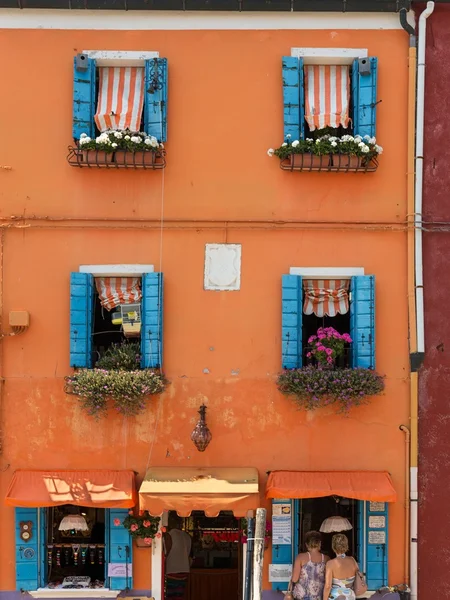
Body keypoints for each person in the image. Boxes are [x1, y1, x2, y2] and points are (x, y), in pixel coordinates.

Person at [291, 531, 330, 600]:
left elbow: (294, 579)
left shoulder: (300, 557)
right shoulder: (326, 559)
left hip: (302, 597)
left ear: (306, 544)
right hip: (319, 596)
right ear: (319, 543)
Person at [163, 514, 192, 600]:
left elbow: (165, 553)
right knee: (179, 596)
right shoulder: (187, 536)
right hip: (184, 571)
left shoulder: (168, 535)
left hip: (171, 571)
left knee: (169, 596)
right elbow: (189, 553)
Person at [322, 533, 358, 600]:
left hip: (336, 596)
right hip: (350, 596)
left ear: (333, 546)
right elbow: (358, 577)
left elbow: (327, 586)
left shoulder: (330, 563)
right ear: (346, 545)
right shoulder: (352, 560)